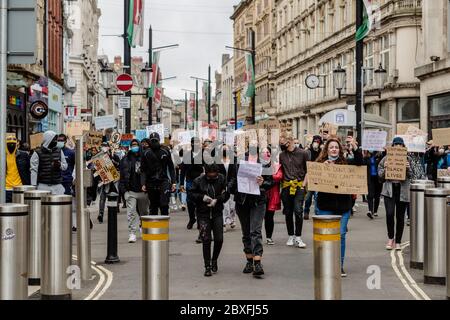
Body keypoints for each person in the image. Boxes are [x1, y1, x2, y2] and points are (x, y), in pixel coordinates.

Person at [308, 136, 362, 277]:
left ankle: (339, 265)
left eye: (336, 147)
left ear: (340, 150)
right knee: (326, 236)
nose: (334, 149)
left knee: (341, 235)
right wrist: (323, 169)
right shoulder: (320, 163)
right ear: (327, 149)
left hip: (343, 206)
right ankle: (326, 263)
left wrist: (355, 148)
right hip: (325, 205)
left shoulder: (345, 163)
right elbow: (312, 180)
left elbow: (359, 162)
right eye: (331, 147)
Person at [228, 141, 274, 278]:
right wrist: (234, 186)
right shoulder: (237, 161)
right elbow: (230, 181)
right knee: (246, 232)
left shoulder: (265, 162)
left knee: (256, 230)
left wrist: (262, 183)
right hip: (242, 201)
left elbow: (270, 182)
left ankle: (257, 261)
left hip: (258, 201)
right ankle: (249, 260)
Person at [189, 164, 230, 276]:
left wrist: (218, 199)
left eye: (214, 175)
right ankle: (207, 266)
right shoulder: (198, 181)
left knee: (219, 239)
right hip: (203, 214)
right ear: (206, 173)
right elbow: (191, 194)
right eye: (209, 175)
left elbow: (227, 194)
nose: (212, 177)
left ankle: (214, 259)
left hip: (217, 213)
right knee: (206, 240)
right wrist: (202, 197)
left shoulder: (221, 178)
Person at [378, 137, 412, 251]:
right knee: (389, 214)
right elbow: (380, 176)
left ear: (403, 147)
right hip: (389, 190)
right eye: (396, 144)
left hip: (402, 191)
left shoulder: (408, 159)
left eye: (400, 144)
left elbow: (413, 175)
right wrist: (385, 169)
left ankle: (398, 241)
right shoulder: (385, 159)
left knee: (400, 217)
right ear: (392, 146)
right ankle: (390, 238)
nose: (398, 146)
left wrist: (408, 168)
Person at [279, 135, 309, 248]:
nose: (282, 145)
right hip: (286, 186)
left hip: (299, 185)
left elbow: (308, 170)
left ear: (290, 141)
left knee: (298, 210)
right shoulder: (282, 155)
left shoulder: (303, 153)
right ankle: (291, 235)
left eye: (284, 142)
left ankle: (298, 237)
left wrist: (303, 185)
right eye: (280, 143)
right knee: (288, 212)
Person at [119, 139, 150, 243]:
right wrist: (124, 191)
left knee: (144, 212)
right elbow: (122, 176)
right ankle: (132, 233)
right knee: (131, 213)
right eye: (133, 145)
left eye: (136, 145)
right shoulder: (125, 159)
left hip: (143, 191)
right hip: (130, 191)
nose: (134, 146)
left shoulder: (144, 158)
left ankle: (143, 228)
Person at [140, 132, 176, 216]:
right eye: (152, 141)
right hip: (151, 182)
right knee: (153, 206)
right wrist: (143, 183)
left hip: (163, 181)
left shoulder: (165, 151)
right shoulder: (146, 153)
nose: (154, 142)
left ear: (159, 140)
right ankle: (154, 227)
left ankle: (164, 226)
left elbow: (171, 167)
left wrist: (173, 182)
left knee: (164, 205)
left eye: (155, 140)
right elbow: (143, 170)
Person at [179, 137, 205, 231]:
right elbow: (182, 170)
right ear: (191, 144)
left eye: (198, 143)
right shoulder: (187, 155)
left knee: (200, 201)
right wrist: (181, 184)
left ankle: (199, 221)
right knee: (190, 201)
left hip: (201, 181)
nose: (196, 144)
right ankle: (192, 219)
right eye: (194, 143)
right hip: (190, 181)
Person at [30, 130, 68, 195]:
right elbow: (34, 170)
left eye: (56, 140)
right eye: (54, 139)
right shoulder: (37, 153)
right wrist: (33, 185)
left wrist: (59, 165)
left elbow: (65, 166)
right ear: (48, 140)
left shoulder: (59, 151)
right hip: (43, 186)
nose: (56, 142)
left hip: (57, 186)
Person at [97, 142, 121, 223]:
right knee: (102, 198)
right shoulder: (99, 156)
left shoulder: (115, 156)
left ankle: (114, 209)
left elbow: (119, 166)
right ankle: (101, 214)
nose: (104, 148)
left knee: (114, 196)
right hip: (105, 180)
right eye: (103, 146)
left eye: (105, 146)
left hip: (114, 180)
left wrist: (113, 161)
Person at [263, 146, 282, 245]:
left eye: (267, 152)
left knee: (269, 216)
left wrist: (267, 175)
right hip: (259, 194)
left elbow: (278, 176)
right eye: (263, 153)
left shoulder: (276, 165)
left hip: (272, 194)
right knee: (257, 216)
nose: (266, 155)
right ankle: (254, 236)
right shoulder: (257, 164)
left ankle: (269, 236)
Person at [5, 135, 31, 203]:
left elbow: (29, 170)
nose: (11, 145)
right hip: (6, 189)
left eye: (13, 143)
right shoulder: (2, 155)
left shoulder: (24, 155)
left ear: (17, 144)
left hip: (20, 188)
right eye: (9, 143)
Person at [304, 135, 323, 219]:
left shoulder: (322, 152)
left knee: (317, 196)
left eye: (318, 142)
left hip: (319, 177)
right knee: (308, 197)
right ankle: (306, 211)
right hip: (309, 176)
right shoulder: (308, 151)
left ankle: (317, 213)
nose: (316, 143)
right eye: (315, 141)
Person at [364, 150, 383, 219]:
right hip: (370, 179)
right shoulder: (367, 157)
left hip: (378, 179)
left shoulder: (380, 156)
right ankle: (370, 211)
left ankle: (375, 211)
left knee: (377, 196)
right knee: (370, 195)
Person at [221, 144, 236, 232]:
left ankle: (232, 219)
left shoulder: (233, 160)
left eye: (226, 148)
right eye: (223, 148)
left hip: (232, 185)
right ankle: (224, 222)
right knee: (224, 205)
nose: (225, 150)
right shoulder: (218, 160)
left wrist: (231, 184)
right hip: (222, 185)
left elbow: (234, 173)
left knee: (232, 205)